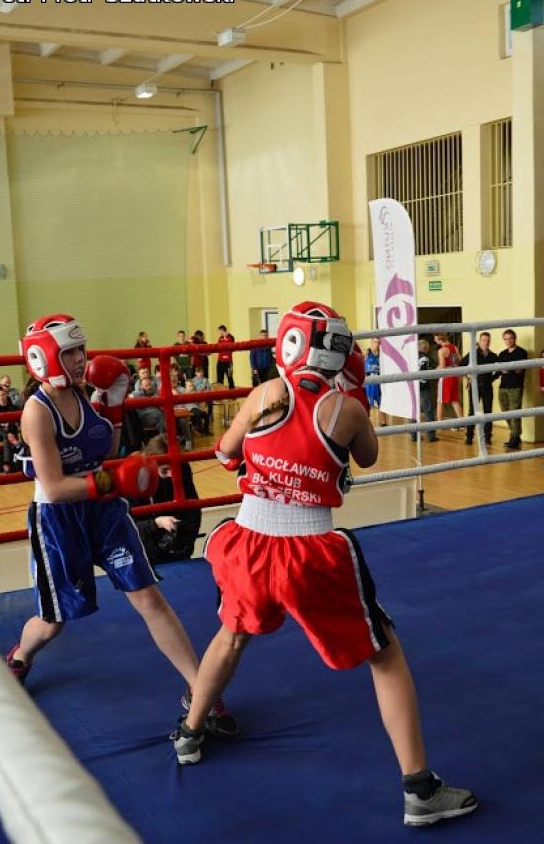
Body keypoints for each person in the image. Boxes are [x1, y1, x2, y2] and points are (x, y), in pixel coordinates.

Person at [171, 301, 477, 828]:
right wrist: (352, 394)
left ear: (288, 343)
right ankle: (420, 790)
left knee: (233, 632)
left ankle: (190, 734)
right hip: (308, 549)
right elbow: (368, 458)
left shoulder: (265, 393)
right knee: (384, 654)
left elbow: (224, 455)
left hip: (246, 540)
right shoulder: (347, 410)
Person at [5, 314, 236, 737]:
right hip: (59, 519)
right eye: (70, 352)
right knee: (53, 623)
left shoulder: (82, 392)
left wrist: (111, 405)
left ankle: (199, 689)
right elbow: (54, 487)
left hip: (104, 511)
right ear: (44, 357)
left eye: (80, 349)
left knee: (150, 599)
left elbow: (103, 448)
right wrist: (113, 479)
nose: (80, 359)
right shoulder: (37, 413)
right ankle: (21, 656)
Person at [132, 435, 201, 567]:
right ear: (150, 463)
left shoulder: (182, 467)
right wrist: (155, 524)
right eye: (165, 470)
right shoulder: (134, 476)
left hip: (176, 544)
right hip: (146, 549)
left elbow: (193, 507)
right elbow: (128, 526)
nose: (171, 475)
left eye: (175, 469)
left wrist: (187, 541)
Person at [459, 332, 497, 445]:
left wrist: (492, 378)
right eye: (484, 340)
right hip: (475, 385)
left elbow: (500, 369)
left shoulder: (493, 356)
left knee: (488, 411)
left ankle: (487, 437)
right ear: (479, 342)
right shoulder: (473, 354)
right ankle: (469, 437)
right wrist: (466, 378)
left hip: (487, 386)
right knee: (472, 411)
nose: (486, 342)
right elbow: (461, 365)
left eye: (488, 340)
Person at [497, 329, 528, 450]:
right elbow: (500, 370)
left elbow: (519, 371)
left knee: (514, 412)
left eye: (510, 338)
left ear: (515, 339)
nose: (508, 341)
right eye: (506, 338)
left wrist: (506, 369)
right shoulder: (502, 353)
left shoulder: (522, 352)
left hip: (515, 387)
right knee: (505, 412)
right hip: (503, 387)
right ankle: (516, 435)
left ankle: (514, 438)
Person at [433, 333, 463, 427]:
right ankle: (462, 421)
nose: (435, 341)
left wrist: (434, 371)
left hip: (446, 377)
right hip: (455, 375)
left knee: (440, 400)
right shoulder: (455, 347)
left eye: (435, 339)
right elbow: (460, 360)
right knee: (455, 400)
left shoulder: (442, 350)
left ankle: (439, 423)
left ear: (439, 339)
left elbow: (442, 366)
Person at [411, 340, 437, 443]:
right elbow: (424, 373)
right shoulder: (424, 358)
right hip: (423, 388)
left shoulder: (412, 356)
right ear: (425, 348)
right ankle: (431, 436)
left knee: (414, 412)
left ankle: (414, 435)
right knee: (429, 412)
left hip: (412, 387)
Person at [364, 338, 387, 425]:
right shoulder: (367, 352)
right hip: (369, 382)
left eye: (378, 342)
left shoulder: (382, 355)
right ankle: (366, 422)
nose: (377, 344)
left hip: (379, 381)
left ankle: (383, 422)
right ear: (371, 342)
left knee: (382, 402)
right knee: (367, 403)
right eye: (375, 342)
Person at [216, 325, 235, 389]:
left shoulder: (231, 337)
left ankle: (233, 394)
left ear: (222, 330)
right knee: (219, 378)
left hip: (228, 362)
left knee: (230, 377)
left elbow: (232, 348)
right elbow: (217, 348)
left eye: (219, 331)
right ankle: (219, 393)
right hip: (220, 361)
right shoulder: (220, 338)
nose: (218, 333)